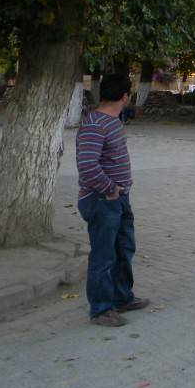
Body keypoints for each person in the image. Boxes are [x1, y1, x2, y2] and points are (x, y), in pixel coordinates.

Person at [76, 73, 149, 327]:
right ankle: (101, 309)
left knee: (123, 250)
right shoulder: (95, 124)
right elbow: (86, 165)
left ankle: (121, 298)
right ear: (124, 97)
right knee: (103, 255)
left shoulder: (113, 121)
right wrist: (109, 188)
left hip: (118, 198)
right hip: (101, 199)